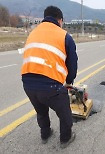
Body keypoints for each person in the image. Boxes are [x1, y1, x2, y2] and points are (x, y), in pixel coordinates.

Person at [21, 6, 78, 148]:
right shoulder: (64, 35)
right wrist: (69, 81)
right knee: (64, 112)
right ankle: (65, 139)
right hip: (51, 87)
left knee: (41, 111)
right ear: (60, 20)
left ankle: (45, 134)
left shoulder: (33, 33)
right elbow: (72, 63)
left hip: (28, 85)